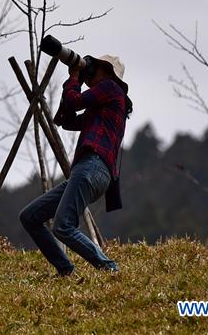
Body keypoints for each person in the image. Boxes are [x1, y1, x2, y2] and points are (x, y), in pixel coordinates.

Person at [18, 53, 131, 276]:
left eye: (96, 67)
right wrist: (74, 83)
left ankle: (109, 268)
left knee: (63, 226)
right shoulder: (101, 107)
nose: (91, 70)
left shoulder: (111, 88)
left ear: (108, 73)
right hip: (90, 171)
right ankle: (65, 270)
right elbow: (66, 120)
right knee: (30, 217)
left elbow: (74, 101)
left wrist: (74, 79)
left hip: (92, 167)